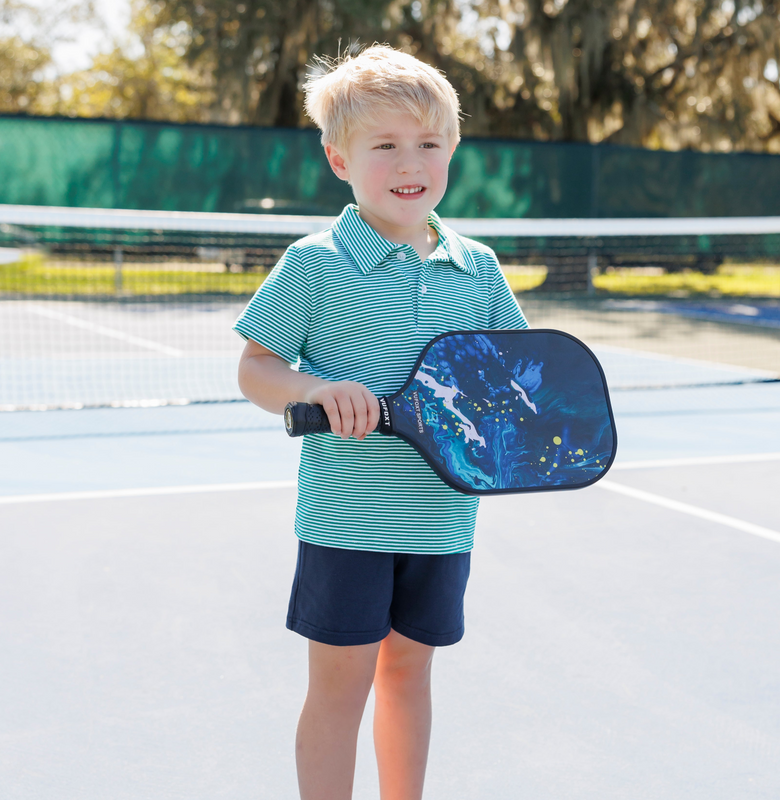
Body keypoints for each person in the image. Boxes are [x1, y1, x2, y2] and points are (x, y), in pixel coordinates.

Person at [234, 43, 528, 800]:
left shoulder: (481, 268)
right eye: (386, 145)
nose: (412, 162)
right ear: (340, 160)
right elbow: (256, 369)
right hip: (348, 522)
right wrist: (322, 389)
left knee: (409, 675)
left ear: (452, 152)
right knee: (341, 687)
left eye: (429, 144)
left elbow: (516, 380)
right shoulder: (314, 263)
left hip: (441, 524)